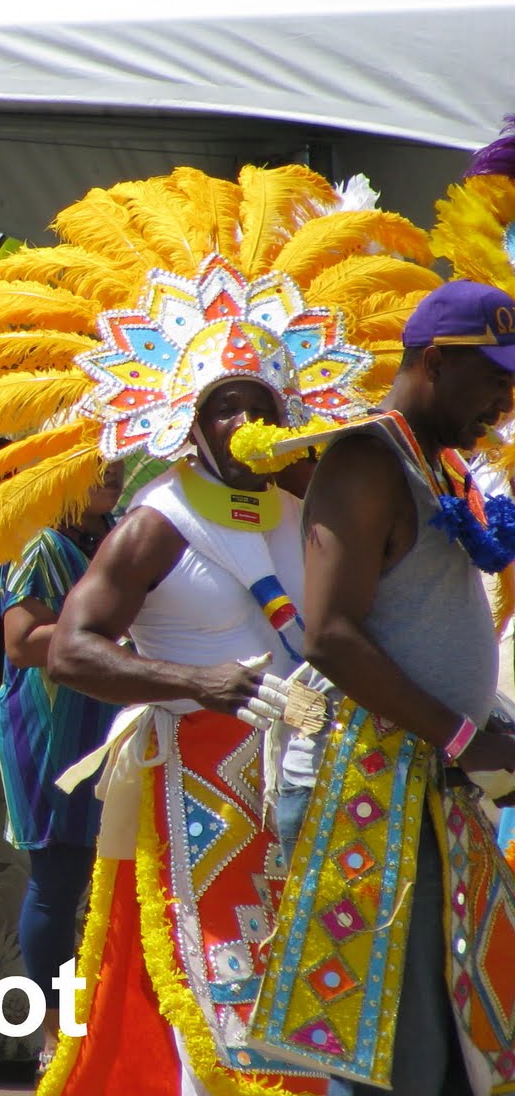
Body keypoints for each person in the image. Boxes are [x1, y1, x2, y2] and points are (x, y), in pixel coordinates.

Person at [0, 163, 441, 1095]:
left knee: (323, 1007)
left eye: (259, 402)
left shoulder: (320, 500)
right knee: (218, 1001)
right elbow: (68, 646)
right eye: (224, 404)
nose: (244, 420)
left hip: (324, 788)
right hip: (202, 789)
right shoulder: (158, 518)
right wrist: (194, 685)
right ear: (189, 416)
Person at [257, 280, 515, 1093]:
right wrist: (467, 737)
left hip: (428, 785)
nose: (505, 407)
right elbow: (330, 635)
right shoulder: (367, 461)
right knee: (391, 1059)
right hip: (369, 788)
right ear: (435, 362)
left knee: (445, 1050)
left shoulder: (432, 465)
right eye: (496, 383)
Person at [0, 469, 121, 1075]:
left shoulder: (120, 534)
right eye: (96, 467)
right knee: (60, 871)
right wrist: (104, 635)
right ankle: (52, 1037)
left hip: (109, 716)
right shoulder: (41, 544)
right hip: (52, 724)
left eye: (116, 464)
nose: (112, 475)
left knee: (114, 876)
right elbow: (20, 643)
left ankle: (106, 1031)